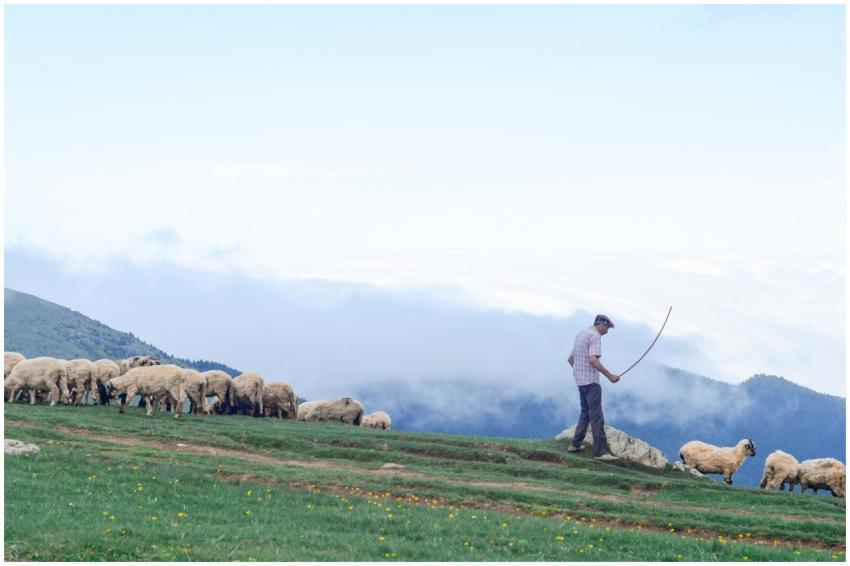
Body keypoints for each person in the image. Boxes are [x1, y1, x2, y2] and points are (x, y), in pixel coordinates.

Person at [566, 314, 620, 462]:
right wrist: (610, 376)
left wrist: (578, 373)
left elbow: (570, 358)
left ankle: (575, 444)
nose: (608, 331)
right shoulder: (595, 337)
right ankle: (600, 452)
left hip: (580, 382)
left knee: (585, 413)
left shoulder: (581, 334)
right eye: (608, 327)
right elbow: (593, 360)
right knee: (596, 416)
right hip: (591, 383)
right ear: (601, 325)